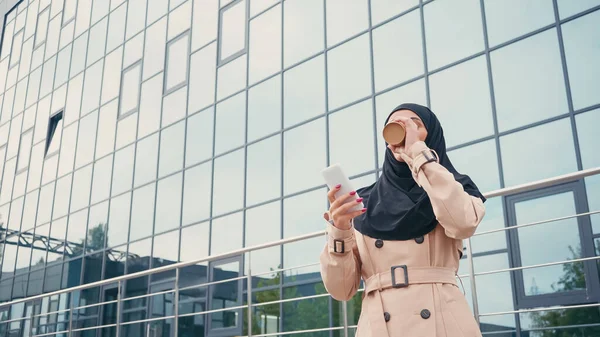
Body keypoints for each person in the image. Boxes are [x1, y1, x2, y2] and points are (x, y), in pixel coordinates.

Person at [319, 103, 486, 337]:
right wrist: (339, 230)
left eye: (414, 124)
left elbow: (463, 223)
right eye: (395, 125)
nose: (404, 129)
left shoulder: (456, 186)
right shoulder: (364, 201)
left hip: (443, 322)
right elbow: (341, 290)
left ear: (432, 134)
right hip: (379, 325)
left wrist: (419, 155)